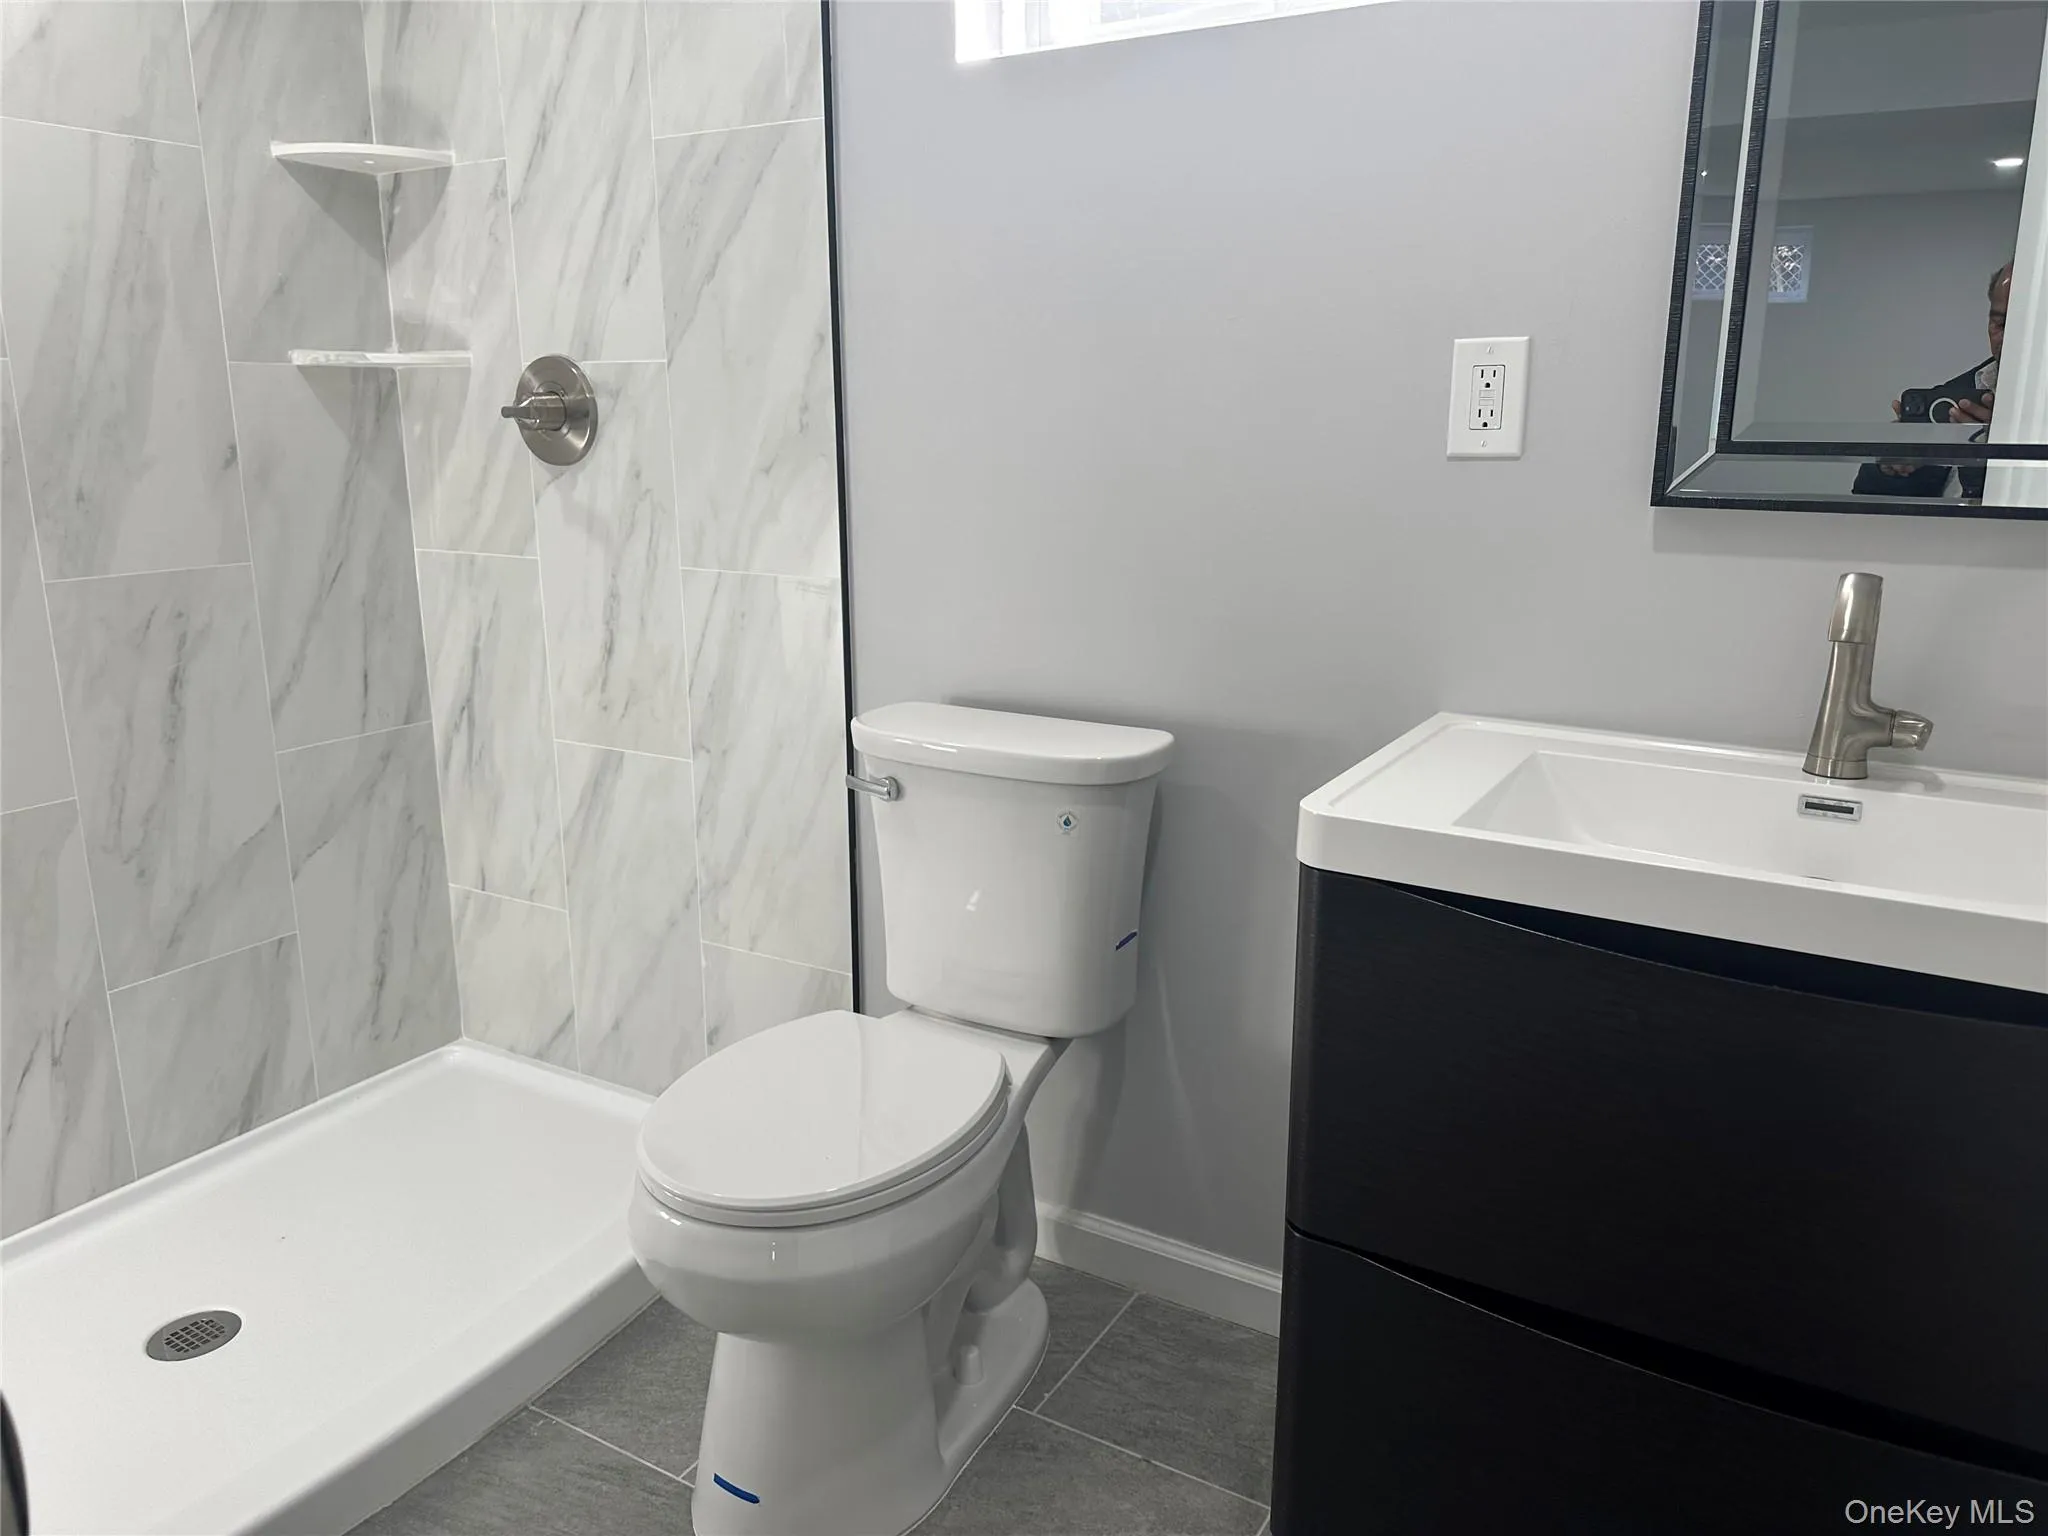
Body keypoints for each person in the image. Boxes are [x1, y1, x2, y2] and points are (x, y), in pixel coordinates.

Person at [1852, 261, 2010, 498]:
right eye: (2000, 323)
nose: (2008, 337)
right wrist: (1891, 468)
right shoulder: (1960, 391)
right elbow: (1866, 497)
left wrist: (1990, 453)